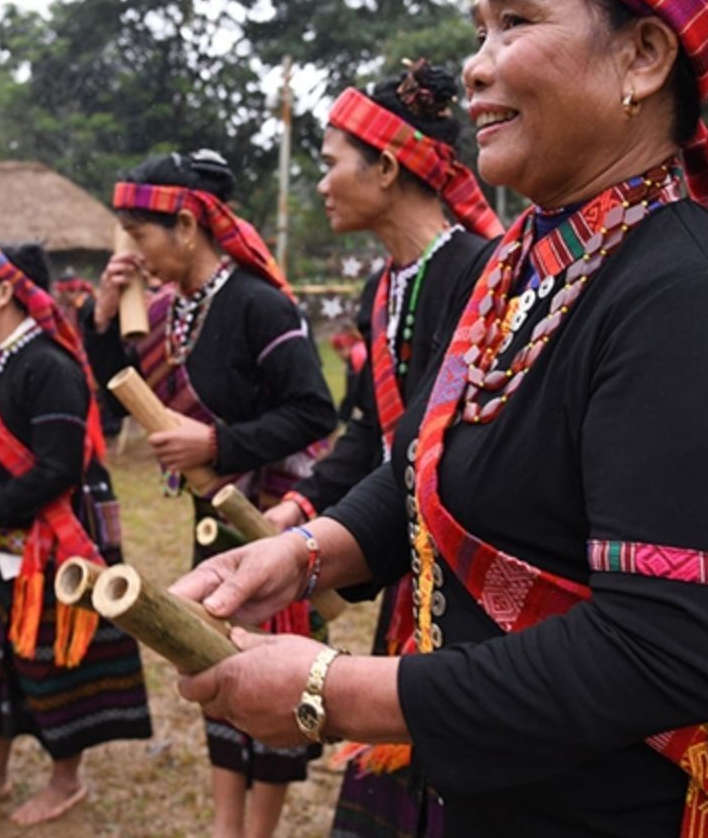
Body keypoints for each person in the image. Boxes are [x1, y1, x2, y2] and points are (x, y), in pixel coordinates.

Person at [171, 0, 708, 837]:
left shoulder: (687, 298)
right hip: (516, 787)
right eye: (479, 31)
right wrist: (301, 554)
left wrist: (333, 691)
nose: (476, 66)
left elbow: (662, 651)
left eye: (515, 23)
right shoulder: (528, 264)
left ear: (643, 56)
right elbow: (433, 456)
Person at [265, 60, 501, 838]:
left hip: (466, 570)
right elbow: (369, 430)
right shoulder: (384, 288)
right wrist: (302, 506)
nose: (323, 183)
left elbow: (433, 447)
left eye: (332, 163)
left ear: (390, 167)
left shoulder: (476, 274)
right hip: (404, 546)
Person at [86, 149, 337, 838]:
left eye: (142, 237)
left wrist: (216, 447)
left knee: (276, 676)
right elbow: (118, 393)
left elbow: (315, 412)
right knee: (215, 666)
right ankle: (227, 827)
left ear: (188, 223)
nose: (137, 255)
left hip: (271, 522)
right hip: (210, 522)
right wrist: (105, 316)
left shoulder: (260, 303)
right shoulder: (169, 311)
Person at [0, 240, 152, 825]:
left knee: (59, 663)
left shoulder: (48, 365)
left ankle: (65, 780)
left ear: (5, 291)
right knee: (0, 659)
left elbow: (58, 469)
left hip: (61, 535)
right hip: (12, 536)